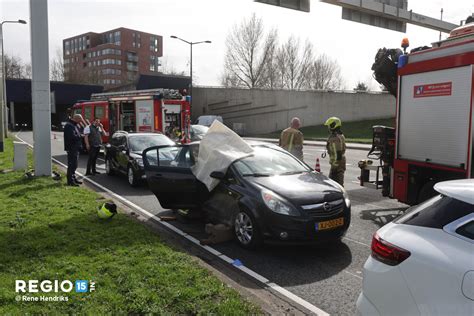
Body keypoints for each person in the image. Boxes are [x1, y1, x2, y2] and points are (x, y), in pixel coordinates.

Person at [324, 117, 346, 186]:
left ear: (333, 125)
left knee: (335, 185)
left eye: (329, 125)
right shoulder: (340, 135)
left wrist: (334, 166)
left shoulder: (335, 138)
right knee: (337, 184)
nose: (328, 128)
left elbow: (338, 153)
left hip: (336, 164)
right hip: (339, 163)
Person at [64, 114, 84, 186]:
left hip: (75, 148)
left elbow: (77, 133)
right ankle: (70, 181)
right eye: (80, 120)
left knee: (75, 165)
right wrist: (80, 136)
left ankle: (73, 178)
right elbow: (72, 136)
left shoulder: (74, 125)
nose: (80, 122)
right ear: (76, 119)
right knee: (72, 165)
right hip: (72, 148)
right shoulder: (69, 126)